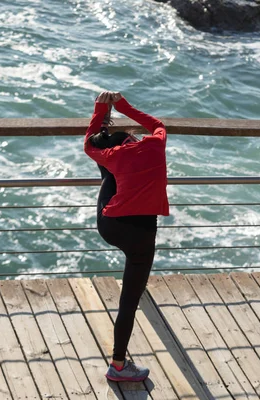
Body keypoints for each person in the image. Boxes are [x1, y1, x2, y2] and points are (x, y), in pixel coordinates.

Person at [84, 91, 169, 382]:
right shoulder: (156, 145)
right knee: (128, 303)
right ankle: (117, 366)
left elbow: (89, 144)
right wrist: (124, 106)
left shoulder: (113, 156)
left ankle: (105, 129)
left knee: (109, 174)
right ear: (131, 139)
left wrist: (100, 110)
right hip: (141, 237)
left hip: (110, 225)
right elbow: (156, 123)